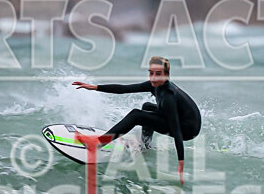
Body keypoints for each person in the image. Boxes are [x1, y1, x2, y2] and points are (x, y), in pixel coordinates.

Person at [72, 56, 201, 184]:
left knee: (136, 115)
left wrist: (181, 164)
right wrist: (95, 87)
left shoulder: (168, 96)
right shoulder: (155, 85)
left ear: (166, 75)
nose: (153, 77)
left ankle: (97, 143)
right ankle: (145, 145)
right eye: (151, 73)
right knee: (147, 106)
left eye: (158, 74)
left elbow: (176, 131)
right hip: (180, 117)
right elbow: (125, 89)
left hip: (187, 129)